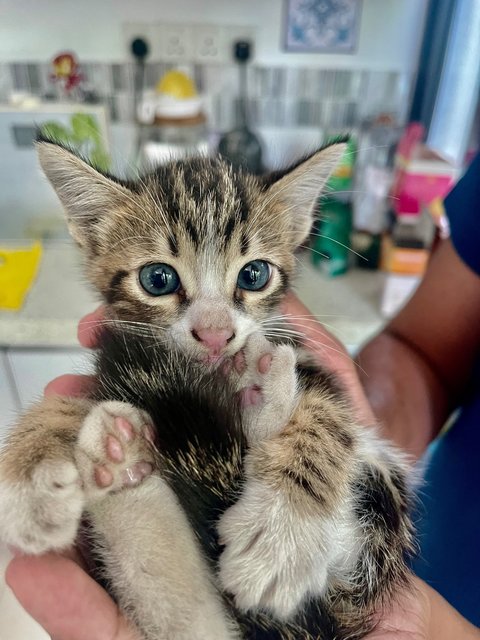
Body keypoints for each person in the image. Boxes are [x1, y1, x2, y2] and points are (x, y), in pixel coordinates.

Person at [6, 154, 480, 638]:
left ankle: (170, 573)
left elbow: (328, 417)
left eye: (251, 277)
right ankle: (168, 568)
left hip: (357, 576)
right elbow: (422, 356)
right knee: (114, 423)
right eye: (160, 279)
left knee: (340, 438)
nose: (215, 330)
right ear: (93, 229)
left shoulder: (268, 352)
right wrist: (43, 439)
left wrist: (303, 487)